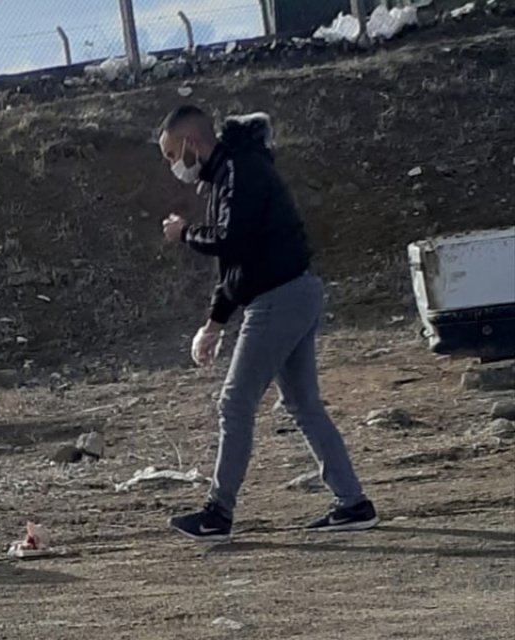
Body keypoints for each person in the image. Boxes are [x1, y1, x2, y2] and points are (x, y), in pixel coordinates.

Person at [156, 104, 378, 542]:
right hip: (294, 291)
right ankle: (353, 503)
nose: (173, 167)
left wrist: (184, 233)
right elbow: (236, 263)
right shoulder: (231, 173)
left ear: (189, 143)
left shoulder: (238, 170)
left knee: (235, 402)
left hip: (278, 299)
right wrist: (214, 325)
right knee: (303, 404)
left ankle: (218, 513)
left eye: (170, 156)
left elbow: (229, 241)